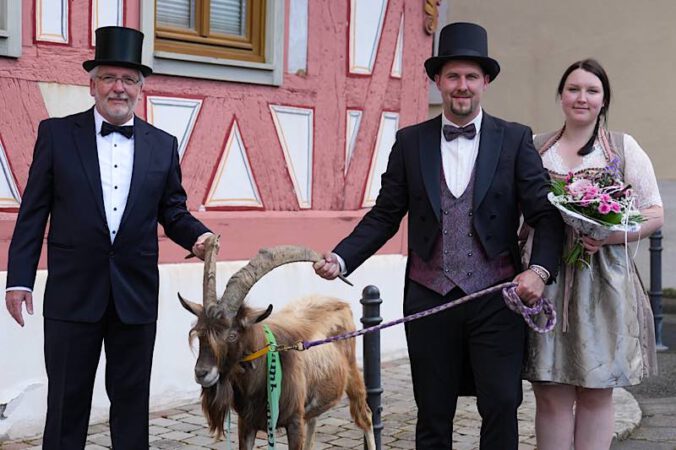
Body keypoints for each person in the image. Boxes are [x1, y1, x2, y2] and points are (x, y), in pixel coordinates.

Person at [314, 22, 564, 449]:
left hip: (498, 296)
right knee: (432, 410)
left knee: (503, 403)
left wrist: (539, 272)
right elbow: (384, 215)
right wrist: (340, 258)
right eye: (452, 76)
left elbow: (546, 215)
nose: (462, 86)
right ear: (437, 81)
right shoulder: (411, 142)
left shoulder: (515, 139)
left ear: (485, 82)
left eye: (470, 77)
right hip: (429, 296)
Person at [4, 26, 212, 450]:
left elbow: (172, 210)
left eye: (129, 79)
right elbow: (32, 213)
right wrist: (19, 278)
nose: (119, 88)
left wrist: (198, 237)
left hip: (134, 295)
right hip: (72, 292)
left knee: (132, 404)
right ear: (92, 84)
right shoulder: (57, 135)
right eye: (109, 78)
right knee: (66, 403)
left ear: (140, 87)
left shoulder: (162, 144)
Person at [523, 58, 663, 450]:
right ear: (561, 96)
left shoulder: (621, 148)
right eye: (573, 89)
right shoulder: (535, 147)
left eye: (591, 90)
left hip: (603, 279)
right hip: (546, 275)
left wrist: (609, 235)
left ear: (603, 100)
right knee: (549, 388)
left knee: (596, 389)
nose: (581, 97)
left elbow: (653, 213)